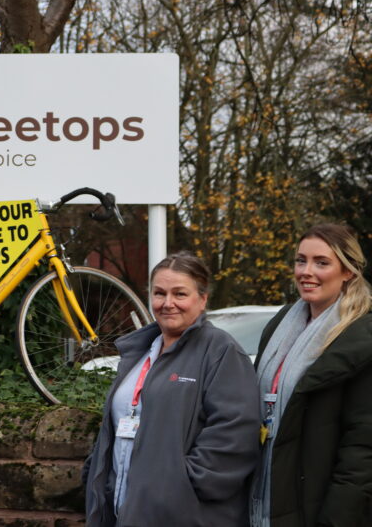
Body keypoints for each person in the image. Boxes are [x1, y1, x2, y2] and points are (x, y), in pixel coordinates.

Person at [83, 251, 261, 526]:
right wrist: (96, 476)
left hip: (183, 515)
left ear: (202, 299)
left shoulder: (221, 350)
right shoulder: (140, 352)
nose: (168, 304)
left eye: (180, 294)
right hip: (122, 512)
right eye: (159, 293)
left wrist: (180, 487)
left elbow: (235, 433)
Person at [250, 223, 372, 527]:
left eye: (321, 263)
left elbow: (362, 448)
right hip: (264, 493)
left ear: (348, 271)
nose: (306, 271)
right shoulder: (279, 325)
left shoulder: (362, 339)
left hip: (317, 506)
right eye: (300, 260)